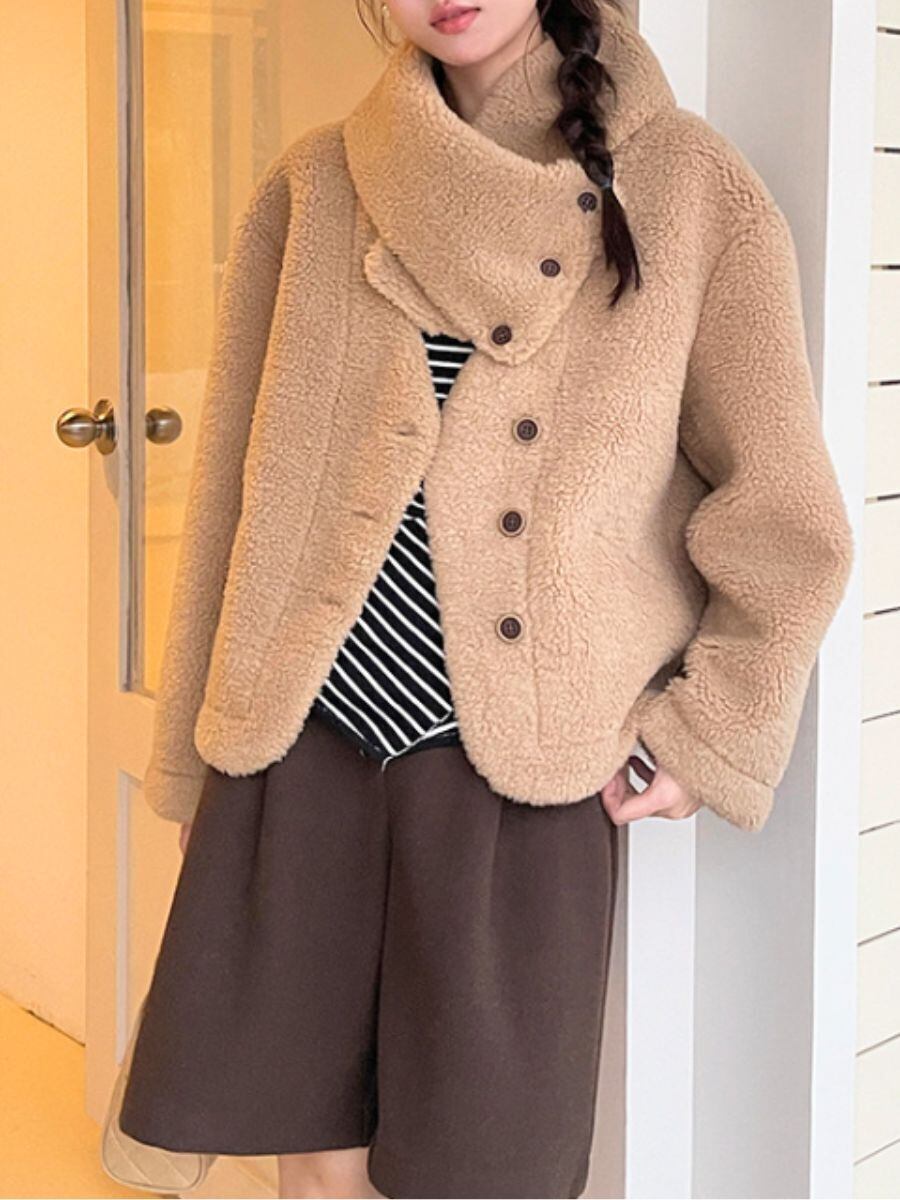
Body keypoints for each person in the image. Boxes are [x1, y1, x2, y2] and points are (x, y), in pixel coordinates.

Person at [115, 1, 855, 1197]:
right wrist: (198, 756)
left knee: (485, 1169)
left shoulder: (689, 189)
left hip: (519, 767)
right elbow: (235, 496)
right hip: (303, 744)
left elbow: (786, 516)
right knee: (313, 1163)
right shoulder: (316, 186)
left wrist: (710, 730)